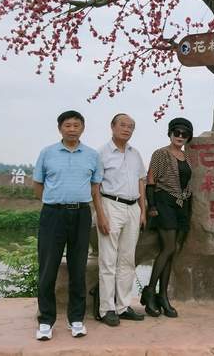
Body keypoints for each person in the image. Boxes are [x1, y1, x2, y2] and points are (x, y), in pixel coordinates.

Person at [33, 110, 103, 341]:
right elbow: (38, 185)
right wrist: (54, 202)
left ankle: (76, 320)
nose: (72, 129)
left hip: (81, 214)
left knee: (78, 267)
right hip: (53, 214)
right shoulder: (48, 153)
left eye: (76, 125)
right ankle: (45, 321)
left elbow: (95, 188)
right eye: (67, 125)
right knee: (48, 267)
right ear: (60, 128)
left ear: (82, 128)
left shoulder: (92, 155)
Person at [92, 113, 147, 327]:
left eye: (131, 126)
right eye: (123, 125)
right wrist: (101, 215)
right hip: (110, 205)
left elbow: (141, 182)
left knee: (127, 260)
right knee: (108, 260)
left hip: (132, 207)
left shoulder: (136, 154)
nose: (127, 129)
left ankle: (123, 306)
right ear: (112, 127)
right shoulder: (101, 154)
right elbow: (95, 188)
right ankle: (107, 309)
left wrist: (142, 210)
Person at [140, 117, 194, 318]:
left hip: (181, 205)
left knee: (173, 251)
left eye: (184, 134)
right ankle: (150, 292)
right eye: (176, 132)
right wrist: (152, 206)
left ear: (188, 137)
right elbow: (151, 181)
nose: (180, 136)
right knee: (168, 247)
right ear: (170, 133)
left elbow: (186, 182)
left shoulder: (186, 157)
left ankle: (163, 295)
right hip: (163, 203)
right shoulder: (160, 153)